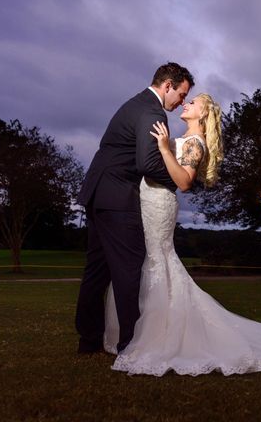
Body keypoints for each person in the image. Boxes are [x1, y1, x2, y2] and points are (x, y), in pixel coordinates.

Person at [103, 93, 261, 376]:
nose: (187, 103)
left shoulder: (195, 143)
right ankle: (136, 330)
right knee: (145, 261)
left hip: (160, 205)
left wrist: (163, 148)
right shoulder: (185, 137)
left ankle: (159, 335)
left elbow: (185, 182)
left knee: (157, 260)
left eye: (194, 102)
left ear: (202, 115)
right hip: (148, 201)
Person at [75, 63, 194, 354]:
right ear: (167, 86)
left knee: (97, 271)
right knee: (128, 269)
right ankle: (130, 345)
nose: (181, 102)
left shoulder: (135, 103)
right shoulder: (152, 112)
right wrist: (180, 180)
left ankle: (89, 340)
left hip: (97, 193)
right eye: (181, 94)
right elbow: (147, 163)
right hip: (116, 198)